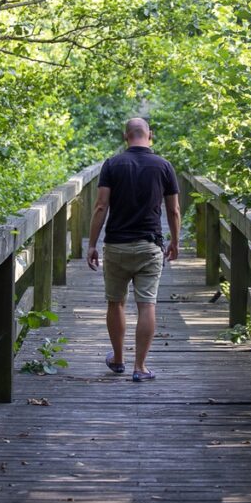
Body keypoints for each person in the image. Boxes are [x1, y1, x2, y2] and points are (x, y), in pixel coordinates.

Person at [87, 117, 180, 382]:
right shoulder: (163, 166)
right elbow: (173, 210)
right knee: (146, 304)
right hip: (150, 245)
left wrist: (92, 244)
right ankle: (140, 367)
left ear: (125, 136)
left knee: (115, 302)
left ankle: (118, 359)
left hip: (116, 245)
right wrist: (175, 241)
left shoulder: (112, 164)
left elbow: (101, 206)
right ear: (150, 135)